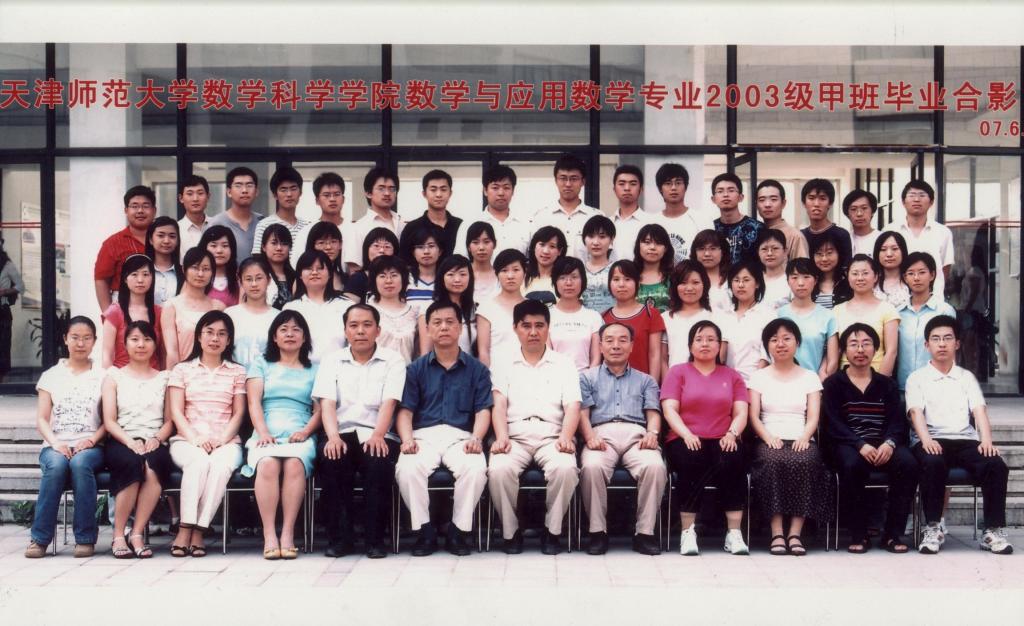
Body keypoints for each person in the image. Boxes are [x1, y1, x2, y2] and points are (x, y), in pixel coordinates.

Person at [908, 315, 1012, 555]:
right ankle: (933, 527)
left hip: (965, 440)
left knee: (995, 465)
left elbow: (979, 411)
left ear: (957, 343)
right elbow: (915, 412)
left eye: (947, 338)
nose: (942, 344)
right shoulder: (917, 378)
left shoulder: (966, 377)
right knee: (932, 461)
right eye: (936, 339)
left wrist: (986, 441)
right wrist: (926, 440)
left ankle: (993, 531)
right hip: (932, 439)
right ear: (927, 345)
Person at [395, 301, 493, 556]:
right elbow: (405, 411)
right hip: (423, 437)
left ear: (460, 327)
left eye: (450, 322)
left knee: (475, 468)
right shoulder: (415, 369)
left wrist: (477, 438)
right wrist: (406, 439)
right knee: (407, 468)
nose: (444, 327)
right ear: (428, 329)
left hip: (461, 437)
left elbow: (483, 410)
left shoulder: (477, 370)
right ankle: (424, 532)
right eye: (437, 323)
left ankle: (457, 532)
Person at [488, 300, 581, 555]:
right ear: (515, 328)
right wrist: (502, 437)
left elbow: (573, 406)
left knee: (565, 468)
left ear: (548, 328)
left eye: (539, 325)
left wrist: (566, 437)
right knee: (498, 469)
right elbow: (499, 404)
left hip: (552, 435)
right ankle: (510, 532)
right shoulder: (503, 362)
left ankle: (552, 531)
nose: (533, 332)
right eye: (526, 326)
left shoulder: (564, 363)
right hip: (514, 435)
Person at [313, 304, 405, 559]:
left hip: (378, 433)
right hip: (340, 432)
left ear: (378, 330)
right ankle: (340, 540)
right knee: (332, 460)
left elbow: (390, 402)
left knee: (378, 463)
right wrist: (332, 437)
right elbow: (327, 404)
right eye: (353, 326)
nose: (360, 331)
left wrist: (378, 435)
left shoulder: (393, 360)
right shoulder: (332, 360)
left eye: (367, 325)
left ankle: (375, 540)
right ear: (345, 331)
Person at [823, 323, 918, 553]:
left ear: (875, 349)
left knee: (908, 464)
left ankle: (892, 534)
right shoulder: (833, 384)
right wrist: (859, 444)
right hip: (848, 444)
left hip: (883, 443)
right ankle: (859, 533)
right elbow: (832, 422)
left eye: (866, 344)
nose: (860, 350)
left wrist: (890, 443)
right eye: (854, 344)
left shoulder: (887, 384)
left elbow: (897, 421)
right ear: (844, 350)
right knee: (851, 465)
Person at [660, 320, 750, 556]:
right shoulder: (678, 372)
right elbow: (669, 409)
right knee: (691, 459)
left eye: (711, 339)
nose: (705, 344)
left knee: (732, 460)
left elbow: (741, 412)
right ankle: (688, 532)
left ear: (720, 346)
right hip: (685, 437)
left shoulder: (732, 376)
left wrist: (732, 433)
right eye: (699, 339)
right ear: (690, 346)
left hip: (723, 437)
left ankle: (734, 533)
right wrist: (686, 434)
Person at [578, 322, 666, 556]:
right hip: (600, 434)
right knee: (592, 466)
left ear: (632, 346)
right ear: (600, 346)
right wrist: (589, 437)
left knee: (655, 466)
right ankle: (597, 532)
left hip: (637, 435)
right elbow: (582, 414)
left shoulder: (646, 380)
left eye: (622, 340)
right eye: (609, 340)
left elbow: (653, 413)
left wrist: (652, 433)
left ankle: (644, 533)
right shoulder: (586, 378)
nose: (615, 345)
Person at [747, 318, 830, 556]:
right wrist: (767, 437)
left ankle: (795, 533)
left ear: (797, 343)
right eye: (774, 340)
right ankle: (777, 533)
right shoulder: (759, 377)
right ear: (767, 346)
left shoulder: (809, 377)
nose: (780, 344)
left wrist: (805, 437)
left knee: (806, 461)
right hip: (769, 437)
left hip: (801, 436)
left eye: (786, 339)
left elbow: (813, 416)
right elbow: (754, 416)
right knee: (772, 462)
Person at [167, 310, 247, 557]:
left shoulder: (237, 371)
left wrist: (221, 440)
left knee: (221, 467)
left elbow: (239, 413)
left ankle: (199, 530)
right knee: (199, 463)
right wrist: (196, 439)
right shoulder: (182, 370)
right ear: (199, 337)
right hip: (186, 440)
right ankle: (185, 528)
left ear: (229, 340)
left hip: (226, 441)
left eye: (222, 334)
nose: (215, 338)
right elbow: (176, 412)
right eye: (209, 332)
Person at [243, 310, 321, 560]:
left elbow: (321, 409)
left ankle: (288, 534)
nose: (290, 334)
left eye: (296, 329)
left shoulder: (315, 369)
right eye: (284, 329)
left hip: (301, 430)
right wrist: (263, 432)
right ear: (274, 337)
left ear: (304, 337)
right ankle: (269, 535)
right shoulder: (261, 364)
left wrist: (306, 431)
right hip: (266, 430)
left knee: (295, 464)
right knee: (267, 463)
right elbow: (253, 403)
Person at [25, 317, 105, 558]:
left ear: (94, 341)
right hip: (55, 444)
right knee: (57, 466)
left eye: (87, 338)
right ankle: (39, 539)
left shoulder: (104, 376)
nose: (81, 343)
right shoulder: (51, 375)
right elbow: (42, 419)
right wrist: (56, 443)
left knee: (80, 464)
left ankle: (85, 538)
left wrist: (91, 441)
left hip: (91, 445)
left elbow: (110, 420)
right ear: (65, 339)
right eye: (75, 337)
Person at [101, 321, 173, 559]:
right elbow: (109, 420)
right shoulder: (113, 376)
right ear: (125, 344)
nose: (141, 344)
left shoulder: (164, 378)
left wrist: (157, 438)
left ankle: (137, 533)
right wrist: (130, 442)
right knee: (132, 463)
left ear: (155, 344)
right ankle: (118, 535)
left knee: (153, 466)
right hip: (122, 439)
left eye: (147, 339)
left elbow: (169, 420)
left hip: (154, 439)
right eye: (134, 339)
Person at [897, 252, 957, 391]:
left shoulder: (944, 311)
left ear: (932, 275)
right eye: (911, 273)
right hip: (903, 386)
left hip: (936, 387)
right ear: (905, 278)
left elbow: (951, 351)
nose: (916, 278)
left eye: (922, 272)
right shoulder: (898, 313)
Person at [884, 180, 954, 298]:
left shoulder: (943, 232)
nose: (916, 199)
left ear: (931, 202)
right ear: (903, 202)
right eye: (911, 195)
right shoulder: (890, 230)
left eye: (922, 195)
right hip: (897, 299)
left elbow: (945, 268)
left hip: (933, 299)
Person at [833, 254, 900, 376]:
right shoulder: (837, 310)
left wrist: (879, 383)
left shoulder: (887, 309)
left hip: (877, 375)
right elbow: (835, 351)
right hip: (845, 378)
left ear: (875, 276)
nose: (860, 278)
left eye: (865, 273)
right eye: (855, 273)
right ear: (847, 276)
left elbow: (891, 352)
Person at [283, 250, 354, 364]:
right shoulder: (291, 308)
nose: (314, 272)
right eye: (308, 268)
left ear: (330, 273)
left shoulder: (347, 305)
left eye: (320, 268)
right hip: (302, 369)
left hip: (339, 368)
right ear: (300, 275)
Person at [161, 247, 224, 370]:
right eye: (195, 268)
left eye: (206, 269)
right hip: (183, 373)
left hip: (212, 374)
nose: (200, 274)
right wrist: (173, 378)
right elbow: (172, 352)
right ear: (184, 269)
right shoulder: (172, 306)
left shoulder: (219, 307)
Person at [602, 260, 665, 381]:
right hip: (609, 387)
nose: (621, 284)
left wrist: (651, 387)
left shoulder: (651, 314)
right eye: (616, 279)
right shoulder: (603, 317)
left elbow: (655, 355)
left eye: (627, 279)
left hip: (642, 386)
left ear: (638, 283)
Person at [777, 258, 839, 381]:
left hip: (815, 383)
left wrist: (821, 381)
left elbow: (832, 359)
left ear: (815, 280)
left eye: (806, 277)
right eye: (794, 277)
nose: (800, 283)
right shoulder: (778, 314)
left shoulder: (828, 316)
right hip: (782, 381)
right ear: (788, 281)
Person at [95, 185, 155, 310]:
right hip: (124, 307)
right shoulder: (112, 243)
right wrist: (108, 315)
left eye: (145, 206)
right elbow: (101, 279)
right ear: (126, 210)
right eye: (134, 206)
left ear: (154, 210)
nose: (140, 211)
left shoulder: (165, 240)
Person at [455, 165, 531, 259]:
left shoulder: (526, 225)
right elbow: (459, 261)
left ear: (513, 191)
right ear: (485, 191)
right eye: (495, 188)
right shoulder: (469, 224)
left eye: (506, 188)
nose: (501, 193)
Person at [101, 254, 163, 370]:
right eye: (134, 274)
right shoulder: (114, 312)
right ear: (125, 278)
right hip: (121, 375)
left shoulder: (160, 313)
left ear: (152, 278)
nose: (140, 280)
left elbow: (163, 353)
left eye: (145, 274)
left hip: (154, 376)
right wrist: (109, 378)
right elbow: (107, 354)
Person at [532, 155, 599, 258]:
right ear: (556, 180)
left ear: (583, 181)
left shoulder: (595, 216)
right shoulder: (541, 217)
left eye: (574, 179)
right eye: (563, 178)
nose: (568, 184)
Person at [720, 260, 773, 383]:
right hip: (726, 383)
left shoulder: (767, 315)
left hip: (755, 383)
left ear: (757, 283)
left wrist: (755, 383)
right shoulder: (723, 316)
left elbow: (766, 355)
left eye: (746, 280)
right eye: (736, 280)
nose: (740, 285)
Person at [343, 166, 404, 272]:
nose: (387, 193)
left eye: (392, 189)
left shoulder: (402, 224)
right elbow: (354, 270)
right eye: (381, 188)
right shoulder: (357, 228)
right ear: (368, 193)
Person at [653, 162, 715, 264]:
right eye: (668, 183)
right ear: (660, 189)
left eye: (678, 183)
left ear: (685, 187)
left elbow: (710, 255)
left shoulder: (702, 220)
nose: (673, 188)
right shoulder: (651, 222)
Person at [548, 257, 602, 371]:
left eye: (574, 277)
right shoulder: (547, 316)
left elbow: (596, 358)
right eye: (562, 277)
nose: (568, 283)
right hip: (555, 377)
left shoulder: (593, 317)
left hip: (586, 378)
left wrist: (588, 378)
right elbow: (546, 355)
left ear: (583, 280)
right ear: (555, 281)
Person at [225, 256, 279, 371]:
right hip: (235, 378)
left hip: (268, 378)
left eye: (259, 278)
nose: (254, 284)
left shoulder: (278, 317)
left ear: (268, 280)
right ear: (240, 282)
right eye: (248, 279)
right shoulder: (230, 314)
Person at [476, 249, 527, 367]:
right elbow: (483, 352)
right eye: (504, 270)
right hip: (497, 373)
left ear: (525, 272)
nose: (510, 276)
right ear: (497, 274)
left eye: (516, 270)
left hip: (528, 372)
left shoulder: (532, 307)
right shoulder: (486, 308)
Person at [662, 261, 715, 371]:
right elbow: (662, 359)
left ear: (704, 284)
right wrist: (669, 380)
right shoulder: (665, 318)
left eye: (695, 282)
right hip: (675, 378)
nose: (689, 288)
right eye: (683, 283)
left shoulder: (715, 316)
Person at [419, 255, 477, 356]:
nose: (457, 279)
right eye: (451, 274)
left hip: (469, 364)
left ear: (470, 277)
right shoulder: (429, 308)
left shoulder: (474, 309)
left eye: (463, 274)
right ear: (442, 278)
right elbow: (426, 352)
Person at [367, 255, 419, 364]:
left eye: (394, 275)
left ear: (403, 279)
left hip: (408, 372)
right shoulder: (367, 312)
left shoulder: (415, 312)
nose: (389, 281)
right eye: (382, 276)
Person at [399, 169, 463, 258]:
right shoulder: (411, 228)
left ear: (450, 193)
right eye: (433, 190)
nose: (438, 194)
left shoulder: (461, 226)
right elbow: (404, 261)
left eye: (443, 189)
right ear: (424, 193)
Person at [250, 167, 310, 256]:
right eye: (283, 190)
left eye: (293, 189)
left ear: (300, 192)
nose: (289, 194)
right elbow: (257, 259)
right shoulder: (264, 225)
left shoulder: (307, 226)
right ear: (275, 195)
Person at [209, 166, 263, 264]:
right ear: (229, 192)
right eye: (238, 185)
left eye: (249, 185)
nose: (244, 190)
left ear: (256, 192)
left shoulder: (263, 222)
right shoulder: (216, 223)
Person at [292, 172, 346, 266]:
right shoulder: (306, 232)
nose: (332, 199)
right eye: (326, 195)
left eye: (337, 194)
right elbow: (297, 265)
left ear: (343, 199)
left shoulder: (354, 230)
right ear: (317, 200)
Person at [800, 178, 852, 270]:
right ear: (804, 203)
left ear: (830, 203)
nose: (816, 204)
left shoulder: (841, 235)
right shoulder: (801, 236)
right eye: (811, 198)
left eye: (822, 198)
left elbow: (846, 269)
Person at [712, 173, 763, 265]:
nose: (726, 195)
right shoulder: (711, 228)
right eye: (720, 191)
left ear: (741, 197)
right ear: (713, 199)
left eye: (731, 190)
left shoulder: (757, 228)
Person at [755, 179, 809, 261]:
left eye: (773, 199)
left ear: (783, 203)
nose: (767, 204)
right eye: (762, 200)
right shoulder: (754, 233)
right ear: (756, 205)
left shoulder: (795, 236)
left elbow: (802, 267)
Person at [305, 221, 360, 301]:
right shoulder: (305, 276)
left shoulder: (345, 277)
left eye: (333, 241)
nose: (328, 247)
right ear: (312, 246)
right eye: (321, 242)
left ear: (340, 244)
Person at [344, 227, 400, 303]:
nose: (381, 250)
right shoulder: (357, 279)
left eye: (387, 247)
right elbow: (347, 307)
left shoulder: (402, 277)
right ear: (367, 249)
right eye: (376, 246)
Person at [610, 165, 652, 262]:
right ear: (614, 189)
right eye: (622, 183)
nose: (627, 188)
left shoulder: (650, 223)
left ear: (641, 189)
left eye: (633, 184)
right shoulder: (607, 223)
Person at [401, 222, 445, 313]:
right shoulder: (404, 278)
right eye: (420, 247)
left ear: (440, 251)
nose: (426, 251)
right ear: (413, 252)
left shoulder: (446, 279)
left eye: (431, 246)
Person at [690, 229, 733, 313]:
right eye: (701, 249)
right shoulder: (687, 278)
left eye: (713, 248)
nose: (707, 254)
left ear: (723, 252)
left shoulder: (733, 277)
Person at [523, 226, 568, 305]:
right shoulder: (521, 277)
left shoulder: (567, 280)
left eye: (552, 246)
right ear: (534, 247)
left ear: (560, 251)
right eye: (542, 245)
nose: (546, 251)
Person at [580, 215, 616, 313]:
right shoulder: (578, 270)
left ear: (612, 239)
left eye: (602, 237)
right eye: (591, 236)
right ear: (584, 239)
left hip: (613, 321)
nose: (596, 242)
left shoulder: (618, 270)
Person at [198, 225, 240, 308]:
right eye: (213, 246)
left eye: (225, 246)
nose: (219, 251)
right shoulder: (196, 276)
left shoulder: (240, 277)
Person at [634, 223, 673, 312]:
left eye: (658, 243)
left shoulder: (674, 278)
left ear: (666, 248)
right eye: (647, 242)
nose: (652, 247)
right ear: (638, 245)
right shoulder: (629, 276)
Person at [145, 216, 183, 307]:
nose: (166, 241)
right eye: (161, 236)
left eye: (172, 236)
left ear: (177, 240)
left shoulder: (184, 272)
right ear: (151, 239)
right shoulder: (141, 271)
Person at [0, 236, 23, 383]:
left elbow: (20, 285)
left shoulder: (7, 265)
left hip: (2, 310)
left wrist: (4, 291)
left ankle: (2, 379)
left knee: (2, 344)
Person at [258, 223, 296, 309]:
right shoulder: (257, 275)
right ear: (264, 247)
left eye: (284, 243)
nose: (279, 248)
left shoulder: (296, 277)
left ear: (290, 247)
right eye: (274, 243)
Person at [873, 231, 911, 309]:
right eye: (883, 249)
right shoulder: (871, 281)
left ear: (903, 251)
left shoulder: (912, 280)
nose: (889, 254)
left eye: (895, 249)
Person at [756, 228, 791, 310]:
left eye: (775, 248)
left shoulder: (792, 280)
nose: (769, 253)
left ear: (785, 251)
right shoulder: (754, 280)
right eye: (764, 249)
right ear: (758, 252)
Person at [177, 175, 211, 261]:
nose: (195, 199)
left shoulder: (217, 225)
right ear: (181, 198)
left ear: (208, 197)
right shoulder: (176, 230)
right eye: (190, 194)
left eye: (200, 193)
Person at [810, 230, 845, 309]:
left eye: (829, 253)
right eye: (819, 254)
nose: (824, 259)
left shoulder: (848, 283)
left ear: (839, 254)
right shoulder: (809, 283)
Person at [465, 221, 498, 300]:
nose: (481, 247)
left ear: (494, 244)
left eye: (486, 242)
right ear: (468, 247)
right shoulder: (462, 275)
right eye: (475, 242)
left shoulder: (501, 275)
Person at [843, 189, 881, 257]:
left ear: (872, 211)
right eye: (853, 209)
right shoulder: (844, 240)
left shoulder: (881, 238)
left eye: (864, 208)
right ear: (847, 214)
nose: (859, 214)